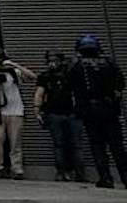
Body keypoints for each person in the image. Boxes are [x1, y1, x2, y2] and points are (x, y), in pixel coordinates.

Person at [67, 34, 127, 189]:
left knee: (97, 145)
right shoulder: (109, 63)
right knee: (117, 145)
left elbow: (70, 84)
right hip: (110, 109)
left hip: (90, 110)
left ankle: (105, 177)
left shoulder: (77, 66)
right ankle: (125, 176)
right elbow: (120, 83)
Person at [36, 49, 86, 183]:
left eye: (54, 61)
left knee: (69, 145)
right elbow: (39, 94)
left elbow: (39, 94)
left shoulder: (69, 74)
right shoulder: (47, 76)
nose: (52, 64)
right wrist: (38, 110)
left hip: (70, 113)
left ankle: (73, 172)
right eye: (50, 61)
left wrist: (38, 110)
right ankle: (67, 172)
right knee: (65, 144)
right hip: (60, 113)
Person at [0, 51, 33, 179]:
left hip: (15, 110)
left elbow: (32, 76)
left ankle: (16, 168)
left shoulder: (14, 73)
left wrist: (14, 65)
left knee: (15, 140)